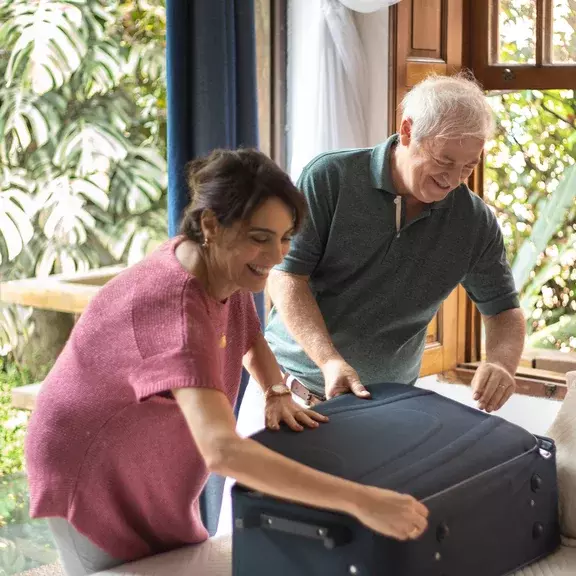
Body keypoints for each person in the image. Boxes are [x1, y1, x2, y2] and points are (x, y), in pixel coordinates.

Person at [25, 148, 429, 576]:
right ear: (211, 225)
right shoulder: (176, 307)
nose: (276, 256)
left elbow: (249, 336)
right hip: (89, 462)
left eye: (286, 237)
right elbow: (222, 451)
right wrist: (363, 501)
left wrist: (275, 391)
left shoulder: (221, 269)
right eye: (260, 237)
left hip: (148, 456)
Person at [266, 74, 526, 414]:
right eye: (444, 161)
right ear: (407, 131)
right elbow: (286, 277)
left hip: (387, 407)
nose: (453, 180)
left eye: (468, 167)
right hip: (293, 394)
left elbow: (504, 310)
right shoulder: (330, 177)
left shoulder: (474, 221)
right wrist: (329, 361)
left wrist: (502, 363)